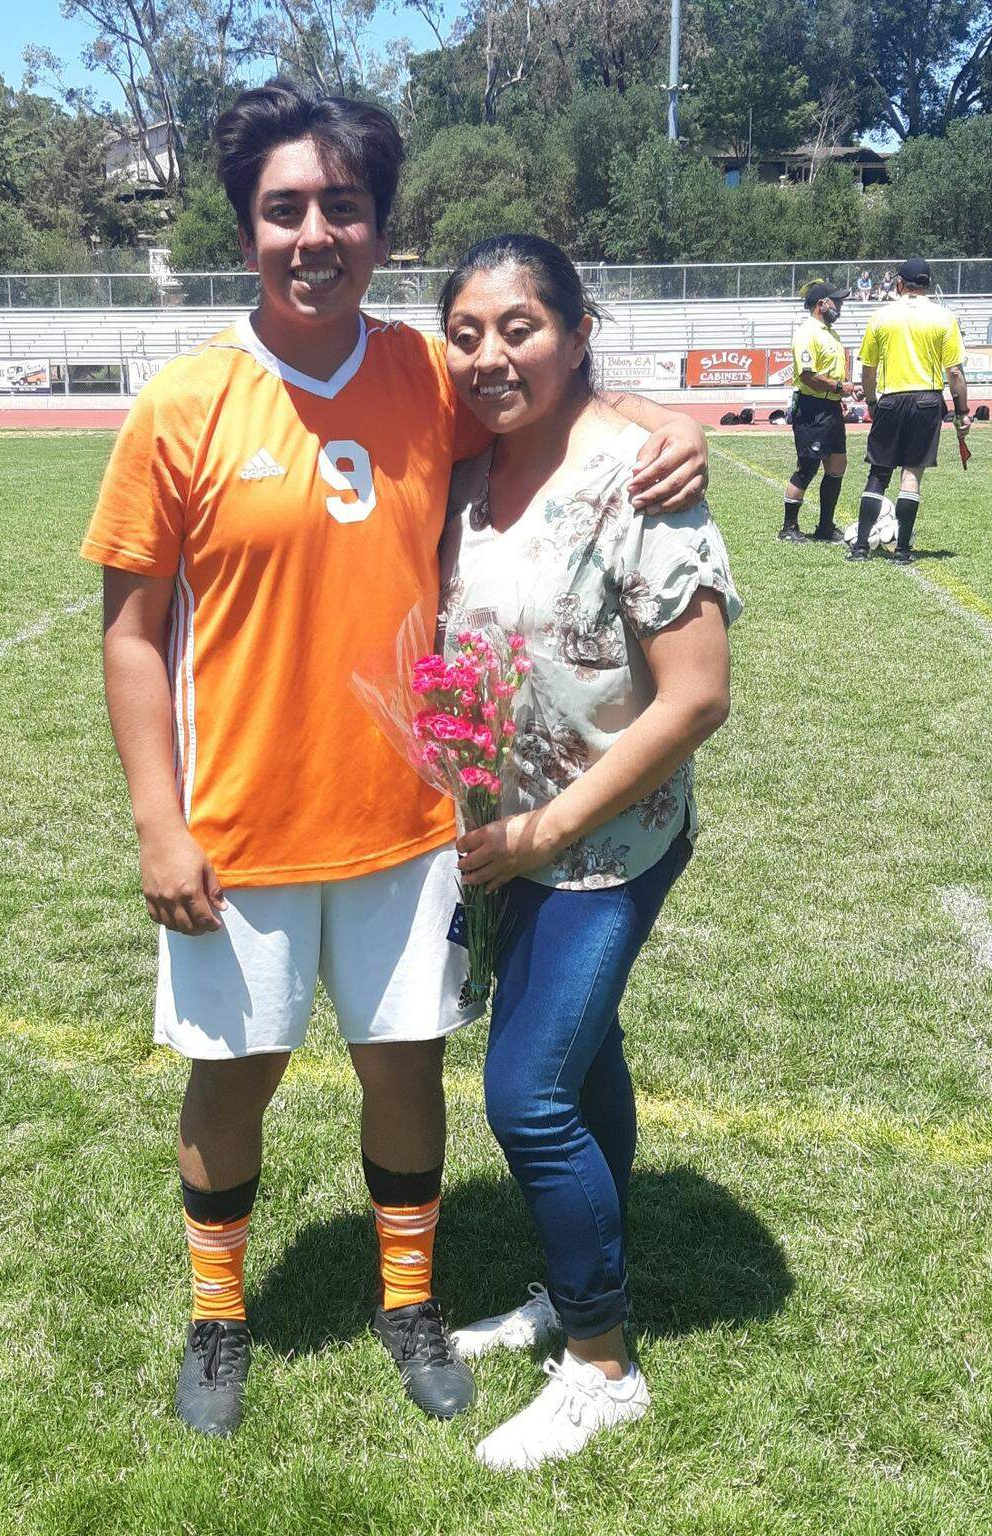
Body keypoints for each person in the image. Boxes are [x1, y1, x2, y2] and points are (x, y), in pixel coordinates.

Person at [80, 82, 710, 1440]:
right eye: (285, 208)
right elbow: (133, 638)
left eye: (343, 207)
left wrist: (671, 417)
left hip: (417, 822)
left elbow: (555, 400)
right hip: (236, 827)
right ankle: (217, 1321)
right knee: (230, 1077)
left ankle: (409, 1304)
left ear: (379, 225)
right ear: (246, 225)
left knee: (403, 1069)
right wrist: (156, 821)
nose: (316, 232)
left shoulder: (427, 378)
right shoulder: (184, 403)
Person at [436, 236, 741, 1471]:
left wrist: (547, 829)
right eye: (465, 332)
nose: (491, 354)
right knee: (586, 1054)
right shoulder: (462, 461)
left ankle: (603, 1368)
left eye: (521, 327)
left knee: (528, 1094)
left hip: (604, 843)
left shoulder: (639, 476)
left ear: (575, 328)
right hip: (506, 839)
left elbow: (698, 696)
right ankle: (573, 1293)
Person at [849, 257, 971, 564]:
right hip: (927, 400)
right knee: (911, 474)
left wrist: (873, 402)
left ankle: (861, 547)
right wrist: (962, 412)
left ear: (900, 283)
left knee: (878, 473)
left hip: (890, 399)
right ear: (927, 283)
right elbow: (955, 373)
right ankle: (902, 551)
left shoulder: (881, 316)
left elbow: (868, 368)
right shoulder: (944, 317)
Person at [780, 281, 857, 544]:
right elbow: (808, 376)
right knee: (808, 467)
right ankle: (789, 528)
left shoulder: (830, 333)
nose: (841, 305)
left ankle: (825, 527)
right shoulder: (807, 333)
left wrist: (839, 395)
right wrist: (839, 387)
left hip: (830, 407)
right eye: (837, 300)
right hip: (812, 408)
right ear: (821, 304)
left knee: (837, 465)